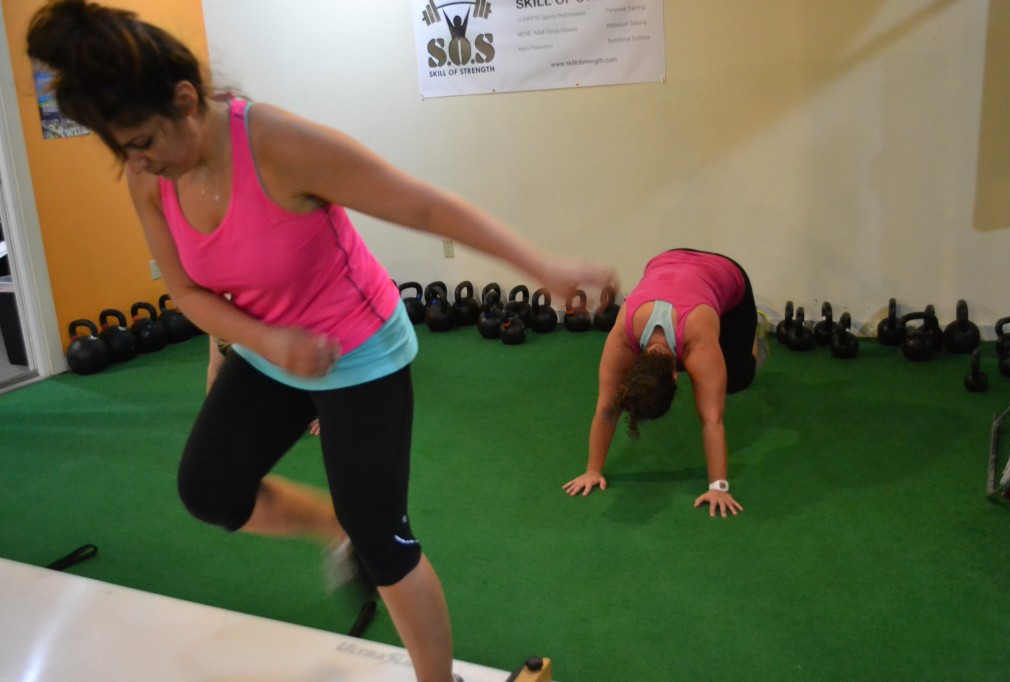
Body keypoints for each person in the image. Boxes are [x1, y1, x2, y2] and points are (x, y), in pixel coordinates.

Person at [26, 3, 614, 680]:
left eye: (143, 142)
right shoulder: (147, 178)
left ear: (185, 101)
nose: (138, 163)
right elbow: (188, 294)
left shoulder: (277, 145)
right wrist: (265, 345)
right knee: (210, 490)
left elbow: (422, 204)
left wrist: (544, 268)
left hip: (360, 352)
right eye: (123, 149)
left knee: (386, 543)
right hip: (272, 349)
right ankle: (338, 526)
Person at [563, 248, 765, 518]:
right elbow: (607, 409)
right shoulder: (624, 334)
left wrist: (719, 487)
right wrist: (592, 470)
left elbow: (712, 420)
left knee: (737, 380)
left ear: (674, 375)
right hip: (667, 262)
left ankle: (754, 335)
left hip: (726, 277)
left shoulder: (697, 336)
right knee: (710, 369)